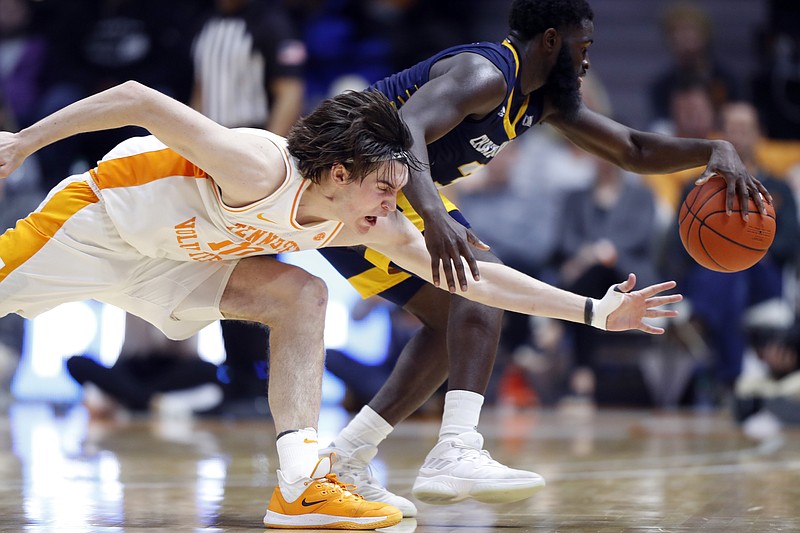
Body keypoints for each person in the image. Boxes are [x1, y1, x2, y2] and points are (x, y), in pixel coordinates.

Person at [0, 81, 681, 528]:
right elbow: (138, 98)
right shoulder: (256, 166)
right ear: (338, 174)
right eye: (387, 189)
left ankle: (299, 484)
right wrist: (24, 141)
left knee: (302, 292)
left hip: (174, 263)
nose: (398, 206)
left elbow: (473, 280)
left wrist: (593, 310)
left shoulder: (361, 215)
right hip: (97, 226)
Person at [318, 0, 769, 517]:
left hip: (376, 193)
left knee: (454, 321)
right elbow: (405, 128)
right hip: (349, 178)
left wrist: (710, 149)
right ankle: (455, 448)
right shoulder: (484, 73)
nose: (588, 60)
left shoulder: (542, 100)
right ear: (551, 41)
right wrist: (435, 215)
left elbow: (631, 150)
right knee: (479, 292)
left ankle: (345, 460)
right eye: (584, 46)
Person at [190, 0, 308, 416]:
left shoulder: (270, 20)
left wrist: (269, 156)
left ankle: (261, 383)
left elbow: (290, 89)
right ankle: (238, 378)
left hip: (251, 151)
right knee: (224, 270)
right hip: (213, 155)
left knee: (257, 269)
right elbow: (201, 90)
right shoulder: (209, 21)